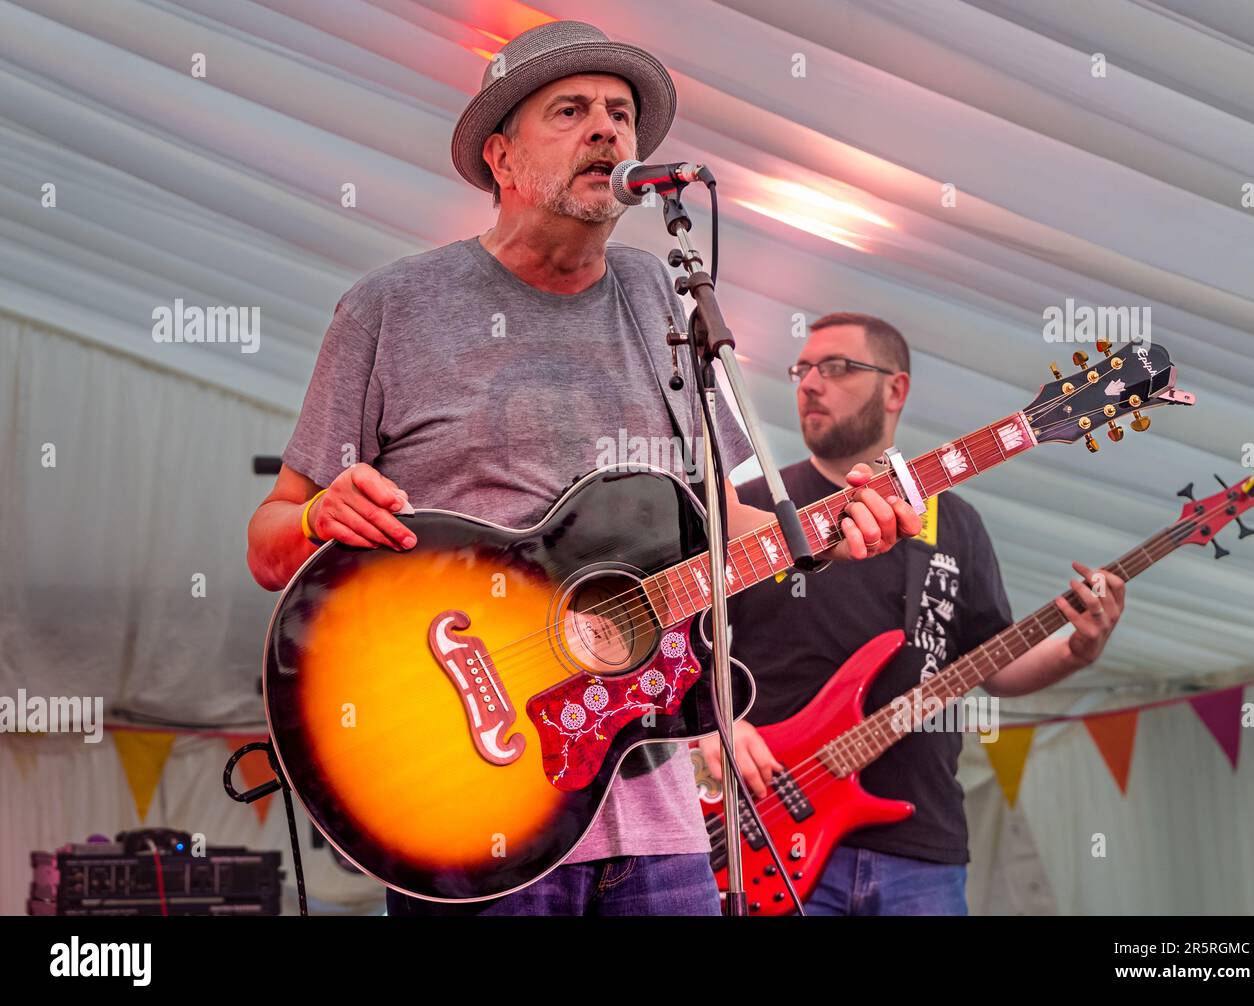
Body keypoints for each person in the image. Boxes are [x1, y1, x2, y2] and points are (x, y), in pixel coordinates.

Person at [245, 23, 921, 916]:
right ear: (501, 156)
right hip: (465, 814)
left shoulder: (667, 300)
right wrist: (315, 517)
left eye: (620, 114)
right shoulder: (391, 308)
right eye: (570, 111)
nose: (607, 129)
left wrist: (832, 532)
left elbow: (723, 525)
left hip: (661, 825)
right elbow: (269, 542)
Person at [702, 312, 1126, 916]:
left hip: (921, 841)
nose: (809, 383)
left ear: (895, 389)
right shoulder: (757, 509)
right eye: (803, 369)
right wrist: (720, 725)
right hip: (766, 829)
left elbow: (993, 663)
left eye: (837, 367)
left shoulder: (955, 524)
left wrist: (1077, 651)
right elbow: (687, 644)